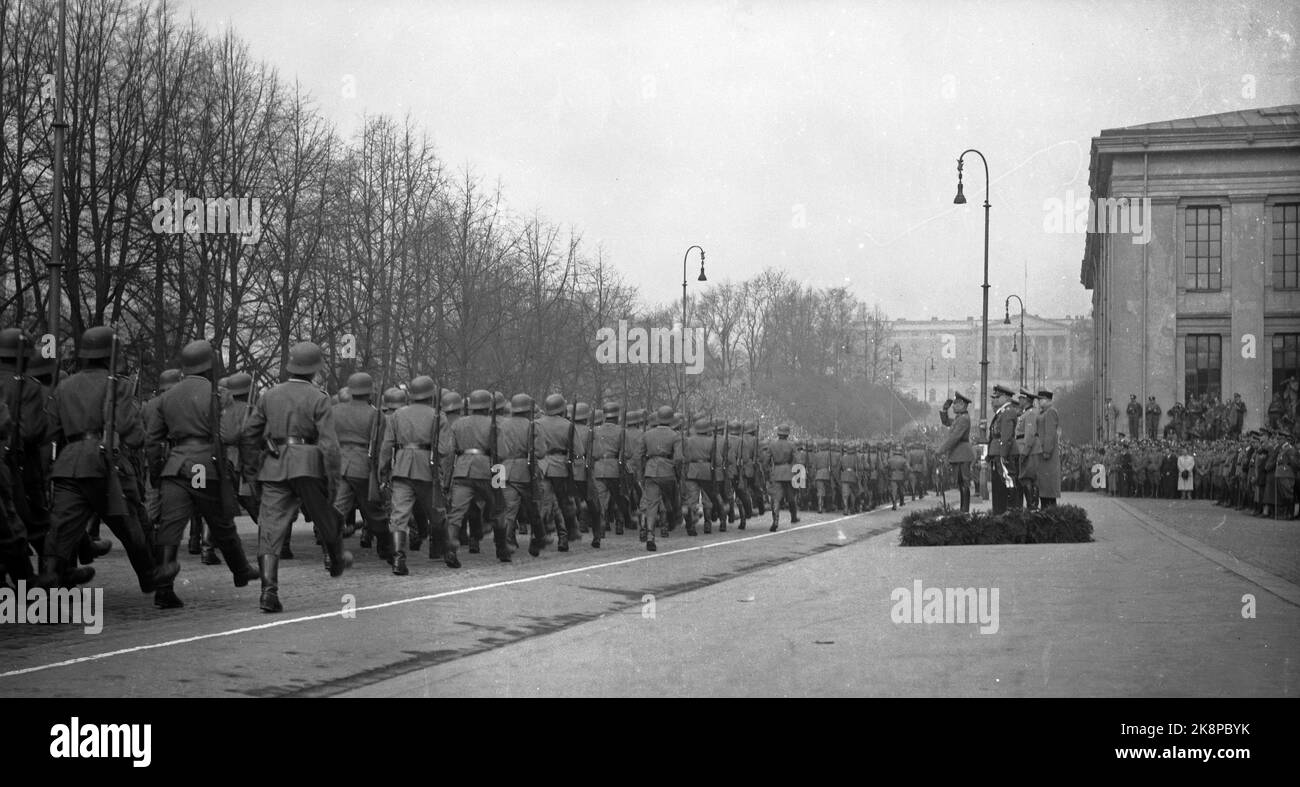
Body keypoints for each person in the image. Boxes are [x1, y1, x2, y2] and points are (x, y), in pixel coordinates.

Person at [38, 326, 174, 595]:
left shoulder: (63, 386)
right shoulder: (118, 385)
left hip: (68, 465)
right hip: (106, 463)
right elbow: (131, 432)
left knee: (61, 531)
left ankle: (48, 582)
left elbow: (49, 432)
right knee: (129, 523)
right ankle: (149, 575)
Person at [239, 341, 352, 613]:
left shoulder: (269, 395)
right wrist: (333, 479)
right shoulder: (319, 397)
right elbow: (329, 445)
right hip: (308, 465)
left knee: (270, 526)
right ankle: (335, 560)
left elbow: (248, 435)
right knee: (325, 515)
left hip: (274, 465)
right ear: (314, 370)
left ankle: (268, 592)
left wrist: (253, 470)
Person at [147, 340, 261, 608]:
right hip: (204, 465)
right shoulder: (218, 395)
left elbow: (153, 441)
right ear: (209, 364)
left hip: (175, 466)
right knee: (221, 521)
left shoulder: (166, 397)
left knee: (170, 529)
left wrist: (156, 473)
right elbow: (229, 434)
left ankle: (164, 590)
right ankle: (240, 570)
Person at [938, 392, 976, 512]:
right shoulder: (959, 418)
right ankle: (963, 509)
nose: (953, 406)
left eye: (955, 404)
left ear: (962, 405)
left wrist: (940, 450)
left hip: (962, 453)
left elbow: (954, 438)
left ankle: (965, 510)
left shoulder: (963, 419)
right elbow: (946, 422)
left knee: (964, 483)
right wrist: (944, 410)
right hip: (959, 454)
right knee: (961, 483)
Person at [987, 384, 1018, 514]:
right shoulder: (1002, 412)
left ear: (1005, 398)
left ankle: (1009, 511)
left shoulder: (1008, 411)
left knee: (1007, 481)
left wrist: (1002, 455)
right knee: (999, 484)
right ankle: (1000, 511)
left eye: (997, 397)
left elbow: (1006, 437)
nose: (994, 400)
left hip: (1003, 453)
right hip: (998, 452)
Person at [765, 424, 798, 530]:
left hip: (776, 472)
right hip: (788, 472)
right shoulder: (792, 445)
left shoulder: (772, 444)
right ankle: (793, 517)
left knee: (776, 499)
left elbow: (766, 461)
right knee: (791, 497)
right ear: (787, 434)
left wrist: (769, 471)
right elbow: (797, 460)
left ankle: (775, 521)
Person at [1034, 389, 1061, 507]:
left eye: (1040, 400)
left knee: (1048, 487)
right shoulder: (1044, 412)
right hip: (1042, 454)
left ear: (1047, 400)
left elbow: (1050, 433)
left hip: (1047, 455)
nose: (1039, 402)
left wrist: (1046, 451)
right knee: (1044, 487)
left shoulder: (1050, 412)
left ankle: (1049, 512)